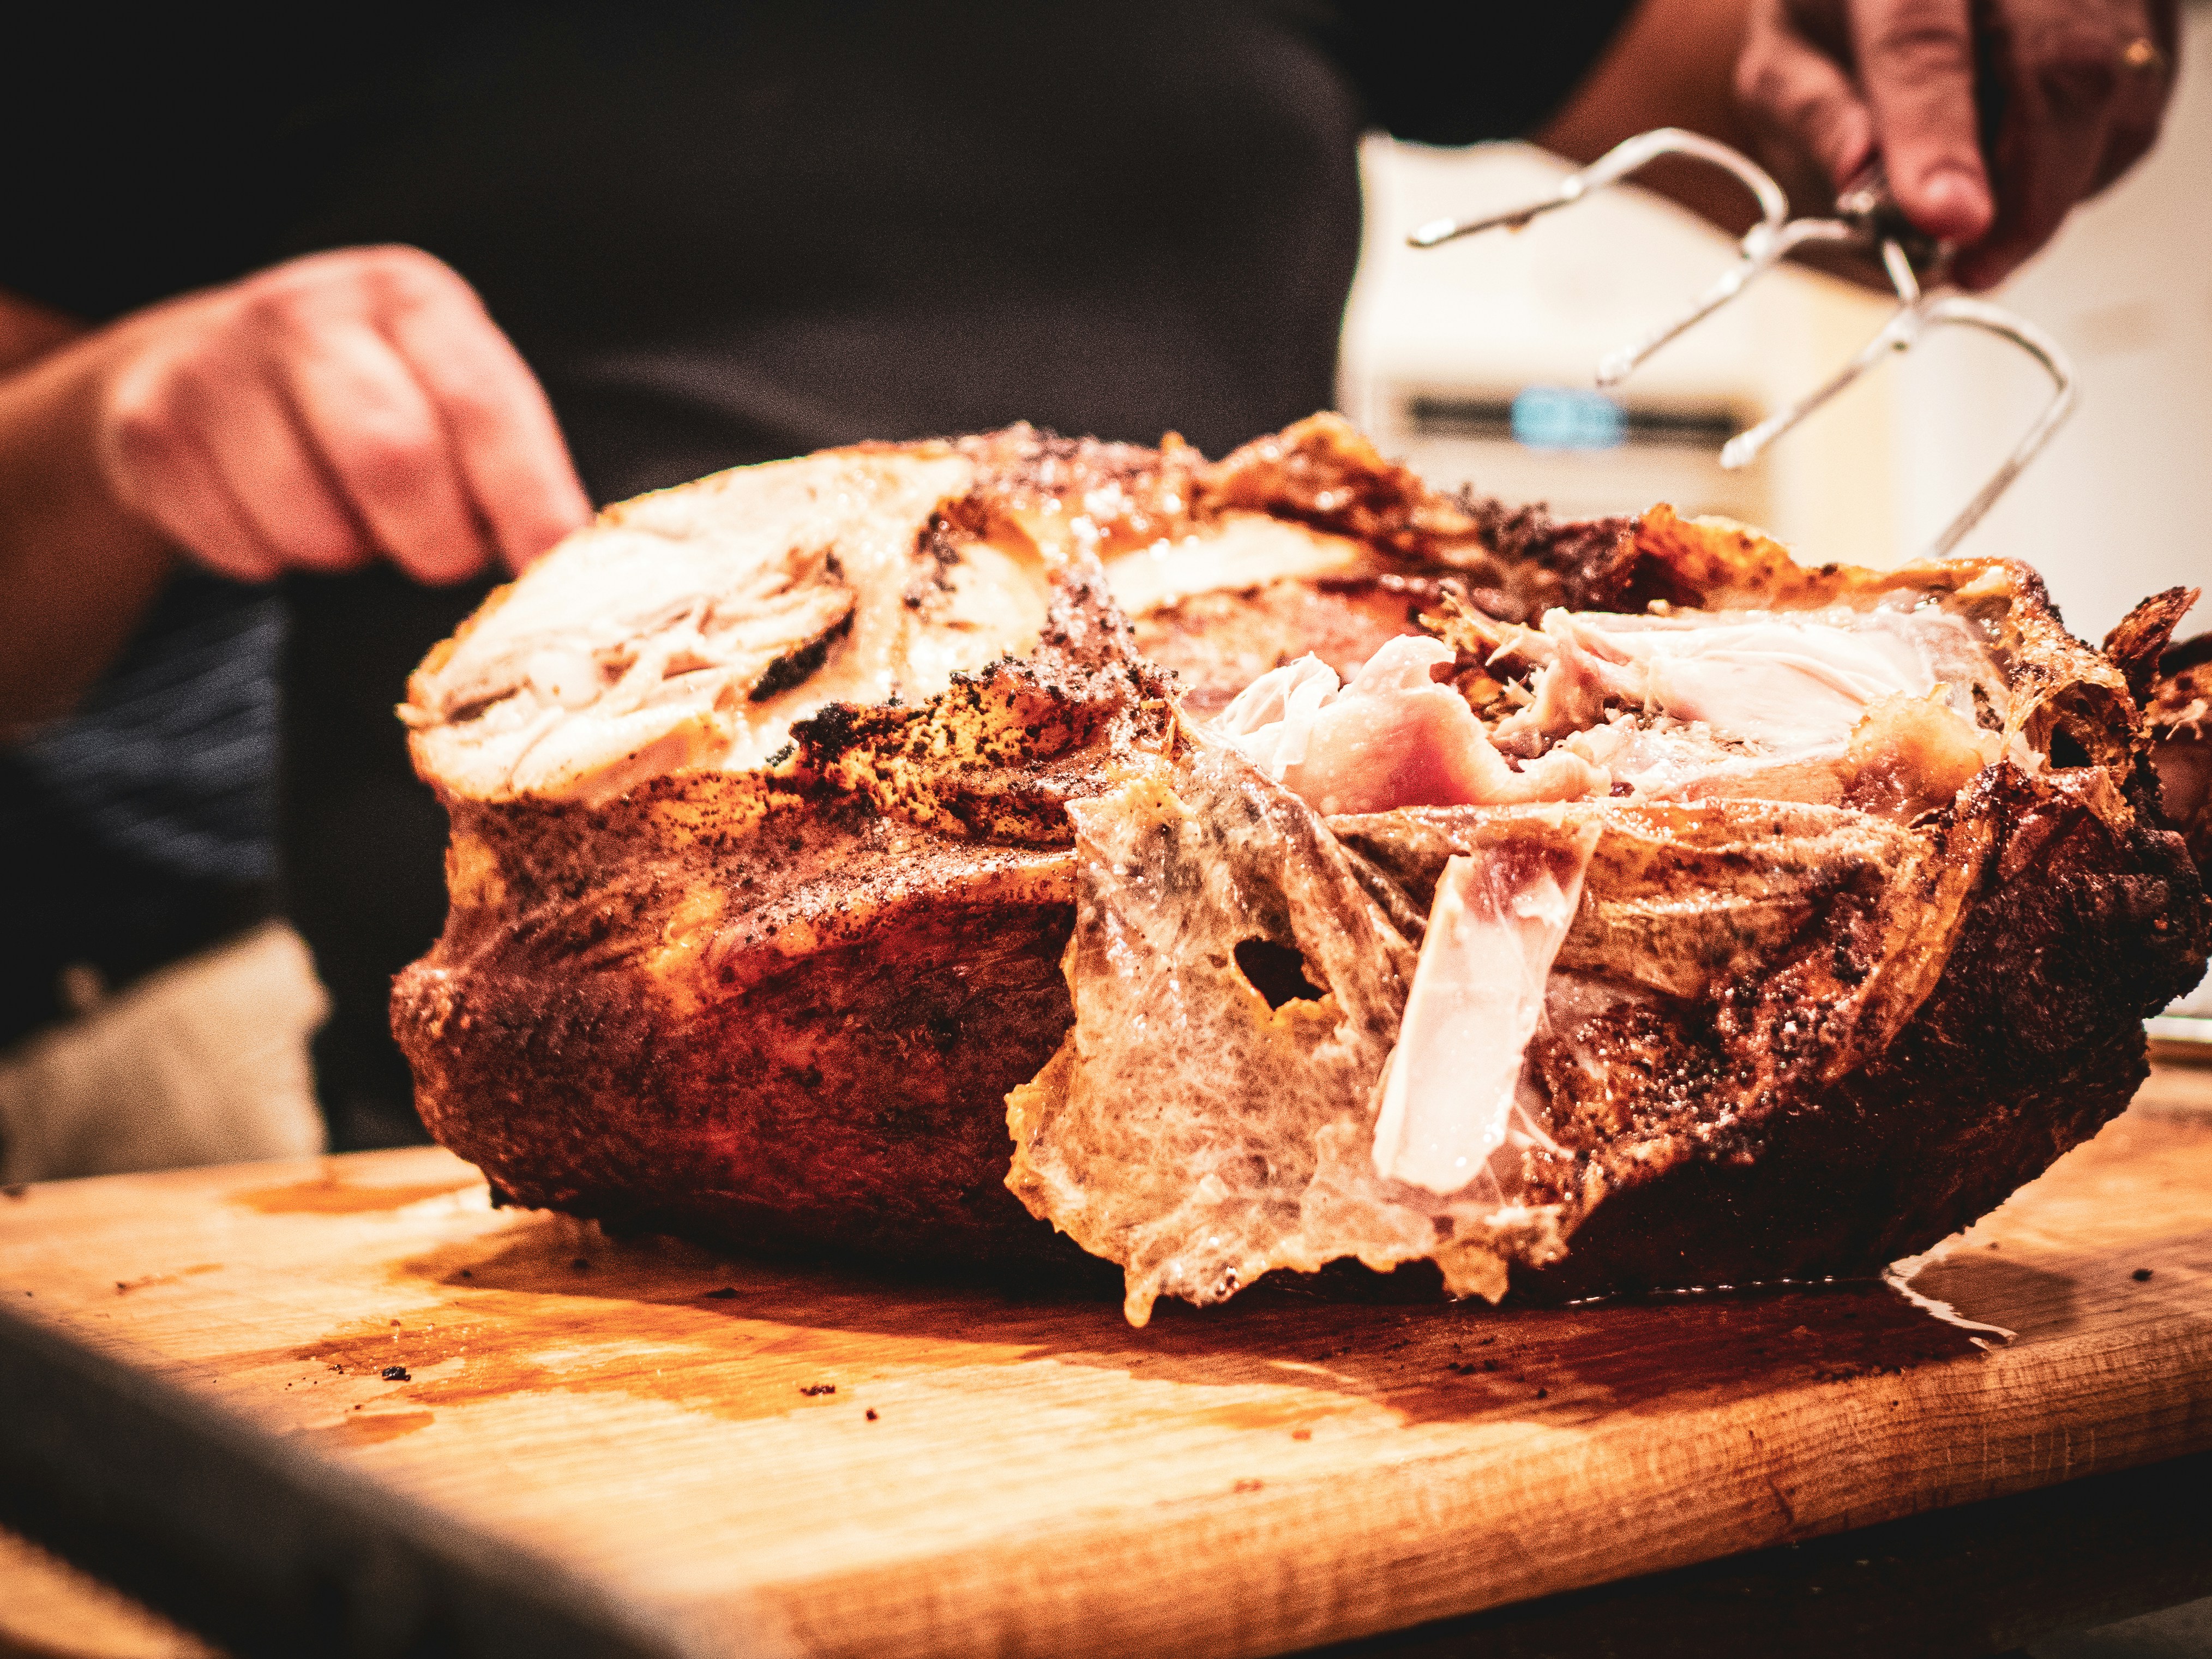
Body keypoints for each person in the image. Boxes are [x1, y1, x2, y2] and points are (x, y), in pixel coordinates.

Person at [0, 0, 2179, 1152]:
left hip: (1318, 1076)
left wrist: (1947, 41)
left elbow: (1807, 78)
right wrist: (121, 405)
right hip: (552, 1145)